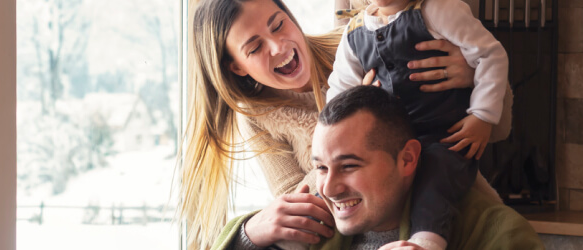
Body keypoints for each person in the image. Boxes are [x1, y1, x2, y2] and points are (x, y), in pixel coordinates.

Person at [178, 0, 514, 249]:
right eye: (255, 47)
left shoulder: (357, 43)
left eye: (278, 25)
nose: (278, 46)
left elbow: (498, 129)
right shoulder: (258, 118)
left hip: (450, 204)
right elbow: (303, 205)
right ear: (236, 67)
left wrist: (473, 76)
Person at [326, 0, 510, 248]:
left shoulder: (438, 10)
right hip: (387, 147)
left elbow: (491, 56)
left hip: (444, 138)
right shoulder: (353, 32)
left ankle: (426, 242)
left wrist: (482, 117)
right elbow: (338, 95)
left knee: (435, 178)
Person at [209, 86, 542, 250]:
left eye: (350, 166)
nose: (329, 188)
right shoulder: (308, 227)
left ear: (408, 159)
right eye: (322, 168)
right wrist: (248, 235)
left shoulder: (495, 233)